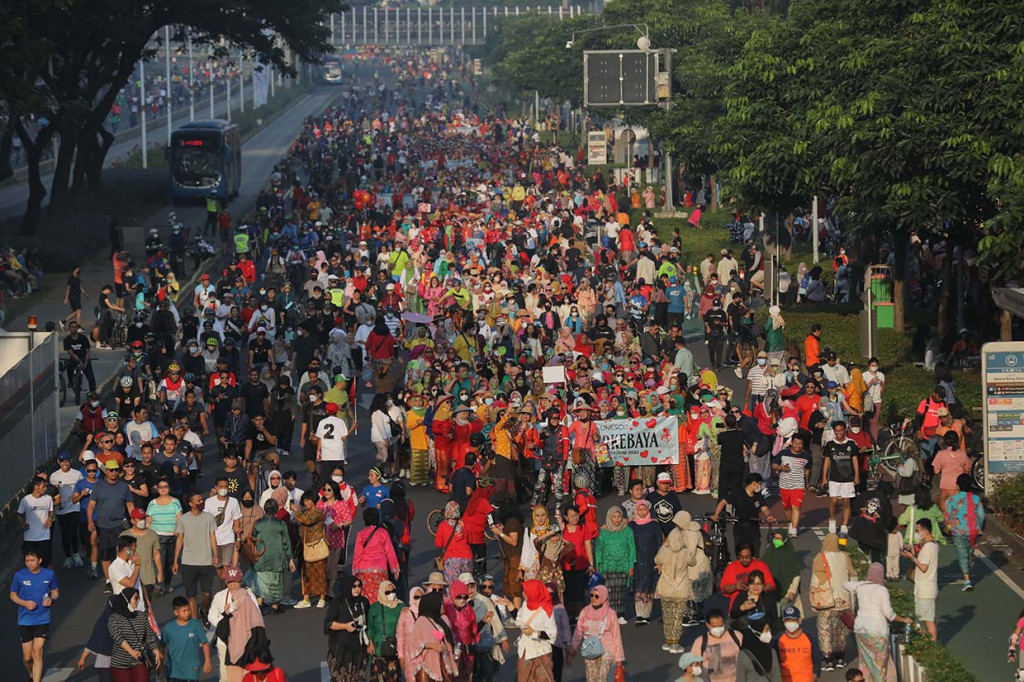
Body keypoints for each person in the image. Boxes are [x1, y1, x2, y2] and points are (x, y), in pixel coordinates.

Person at [843, 563, 912, 681]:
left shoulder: (861, 587)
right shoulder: (882, 590)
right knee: (880, 666)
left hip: (860, 630)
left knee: (866, 662)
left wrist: (863, 583)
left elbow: (844, 584)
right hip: (877, 631)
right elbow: (889, 614)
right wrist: (904, 619)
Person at [208, 565, 265, 682]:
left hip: (245, 642)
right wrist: (225, 623)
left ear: (241, 581)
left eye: (236, 581)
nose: (233, 584)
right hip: (225, 642)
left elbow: (256, 616)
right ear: (226, 582)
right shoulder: (219, 596)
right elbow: (211, 616)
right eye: (230, 581)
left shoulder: (248, 595)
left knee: (246, 674)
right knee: (225, 676)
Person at [11, 549, 59, 682]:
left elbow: (55, 592)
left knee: (37, 652)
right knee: (27, 658)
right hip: (25, 620)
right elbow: (12, 595)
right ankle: (31, 675)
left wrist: (51, 600)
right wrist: (24, 603)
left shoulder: (49, 574)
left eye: (32, 560)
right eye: (27, 561)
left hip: (42, 618)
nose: (29, 564)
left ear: (40, 560)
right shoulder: (19, 576)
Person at [810, 534, 855, 671]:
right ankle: (840, 657)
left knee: (825, 630)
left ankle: (828, 660)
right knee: (839, 631)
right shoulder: (844, 556)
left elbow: (816, 578)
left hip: (827, 601)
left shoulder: (820, 557)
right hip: (843, 601)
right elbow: (852, 574)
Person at [88, 460, 135, 590]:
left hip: (119, 524)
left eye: (116, 470)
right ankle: (109, 580)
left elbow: (129, 505)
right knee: (105, 553)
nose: (114, 473)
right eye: (111, 470)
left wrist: (134, 520)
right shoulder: (98, 487)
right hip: (103, 525)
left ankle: (123, 577)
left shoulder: (124, 487)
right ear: (106, 471)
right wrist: (90, 520)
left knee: (121, 552)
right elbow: (91, 505)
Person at [173, 492, 219, 626]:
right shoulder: (183, 519)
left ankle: (204, 610)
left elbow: (212, 537)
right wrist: (176, 560)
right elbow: (180, 539)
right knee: (191, 595)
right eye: (198, 501)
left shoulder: (209, 518)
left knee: (206, 593)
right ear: (191, 504)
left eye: (202, 500)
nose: (201, 502)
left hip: (206, 561)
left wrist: (215, 555)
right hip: (188, 562)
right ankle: (194, 622)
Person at [571, 584, 625, 682]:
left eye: (597, 596)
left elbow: (616, 637)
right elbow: (578, 630)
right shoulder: (585, 612)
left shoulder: (611, 614)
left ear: (604, 597)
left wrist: (619, 659)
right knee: (591, 679)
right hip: (590, 650)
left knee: (602, 679)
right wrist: (574, 647)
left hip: (606, 651)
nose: (593, 598)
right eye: (591, 595)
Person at [711, 473, 775, 554]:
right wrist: (716, 514)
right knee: (741, 554)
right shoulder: (738, 493)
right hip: (740, 528)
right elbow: (723, 502)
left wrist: (769, 516)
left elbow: (765, 509)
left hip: (754, 529)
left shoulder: (758, 496)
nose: (760, 487)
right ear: (754, 483)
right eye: (759, 484)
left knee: (754, 554)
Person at [107, 587, 161, 682]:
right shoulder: (114, 619)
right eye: (135, 598)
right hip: (120, 664)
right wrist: (131, 651)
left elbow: (149, 635)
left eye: (138, 598)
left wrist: (155, 650)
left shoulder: (141, 615)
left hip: (139, 661)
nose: (137, 601)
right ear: (126, 600)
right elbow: (118, 637)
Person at [324, 575, 372, 682]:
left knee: (359, 678)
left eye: (359, 586)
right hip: (341, 650)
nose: (357, 589)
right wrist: (345, 626)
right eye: (354, 586)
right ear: (347, 587)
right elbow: (329, 623)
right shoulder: (338, 603)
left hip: (359, 649)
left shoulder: (364, 601)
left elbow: (369, 621)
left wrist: (369, 642)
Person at [251, 499, 294, 612]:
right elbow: (286, 542)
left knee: (261, 580)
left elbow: (253, 537)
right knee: (276, 581)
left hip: (262, 557)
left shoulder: (258, 524)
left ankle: (260, 602)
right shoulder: (281, 524)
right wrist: (291, 558)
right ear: (276, 510)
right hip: (277, 558)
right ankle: (275, 605)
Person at [595, 506, 635, 625]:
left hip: (623, 565)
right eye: (614, 516)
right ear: (609, 517)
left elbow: (632, 548)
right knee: (609, 591)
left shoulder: (627, 530)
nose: (617, 519)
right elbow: (599, 549)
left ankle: (620, 615)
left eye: (619, 516)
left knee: (621, 591)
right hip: (607, 566)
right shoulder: (604, 531)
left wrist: (631, 565)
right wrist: (598, 564)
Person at [352, 507, 401, 606]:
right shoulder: (383, 533)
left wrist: (354, 569)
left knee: (366, 597)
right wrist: (395, 568)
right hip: (380, 570)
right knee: (381, 596)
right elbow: (390, 552)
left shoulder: (361, 534)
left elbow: (358, 554)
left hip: (364, 570)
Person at [945, 473, 985, 591]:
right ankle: (969, 571)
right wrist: (978, 527)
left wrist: (950, 526)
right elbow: (982, 515)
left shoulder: (952, 499)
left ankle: (967, 580)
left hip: (958, 532)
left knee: (962, 555)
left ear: (957, 486)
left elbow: (947, 515)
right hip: (973, 530)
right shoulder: (976, 499)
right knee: (970, 553)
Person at [903, 517, 939, 641]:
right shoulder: (932, 545)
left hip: (925, 589)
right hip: (926, 587)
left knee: (929, 621)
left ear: (926, 531)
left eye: (918, 530)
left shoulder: (929, 547)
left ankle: (932, 647)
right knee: (928, 619)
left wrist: (913, 558)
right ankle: (929, 642)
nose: (917, 533)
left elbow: (923, 567)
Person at [821, 421, 859, 536]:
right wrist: (824, 477)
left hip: (848, 478)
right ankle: (832, 520)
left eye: (840, 430)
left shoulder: (852, 444)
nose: (838, 433)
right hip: (834, 477)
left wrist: (857, 475)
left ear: (845, 430)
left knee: (846, 502)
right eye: (836, 431)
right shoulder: (830, 444)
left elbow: (855, 460)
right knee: (833, 501)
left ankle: (844, 525)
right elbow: (827, 460)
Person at [162, 596, 212, 682]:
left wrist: (207, 661)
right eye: (184, 611)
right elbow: (162, 646)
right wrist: (161, 667)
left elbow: (204, 643)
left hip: (191, 671)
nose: (187, 613)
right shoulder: (168, 628)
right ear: (176, 612)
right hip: (173, 671)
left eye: (188, 610)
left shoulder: (195, 625)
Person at [516, 580, 558, 682]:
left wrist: (534, 633)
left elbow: (552, 634)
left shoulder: (546, 610)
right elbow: (519, 621)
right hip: (525, 651)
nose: (522, 594)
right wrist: (510, 607)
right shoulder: (525, 605)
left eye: (525, 592)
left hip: (541, 652)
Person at [146, 477, 182, 595]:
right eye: (160, 487)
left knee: (170, 561)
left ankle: (168, 583)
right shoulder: (152, 503)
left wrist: (177, 529)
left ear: (169, 488)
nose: (163, 489)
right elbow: (148, 521)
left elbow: (179, 518)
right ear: (157, 489)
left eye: (165, 487)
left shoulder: (175, 502)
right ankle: (159, 584)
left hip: (172, 536)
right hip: (157, 537)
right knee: (160, 561)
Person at [629, 499, 662, 626]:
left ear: (648, 510)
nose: (642, 512)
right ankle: (639, 614)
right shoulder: (632, 525)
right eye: (640, 510)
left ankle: (646, 615)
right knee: (638, 585)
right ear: (636, 511)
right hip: (637, 559)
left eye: (644, 510)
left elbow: (659, 543)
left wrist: (659, 561)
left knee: (648, 585)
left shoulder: (654, 525)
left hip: (650, 559)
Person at [294, 491, 329, 608]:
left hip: (317, 544)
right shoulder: (304, 512)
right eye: (305, 500)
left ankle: (322, 597)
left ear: (314, 500)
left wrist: (296, 510)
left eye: (309, 500)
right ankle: (306, 598)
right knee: (306, 573)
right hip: (306, 545)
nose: (306, 502)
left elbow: (308, 520)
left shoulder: (318, 512)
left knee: (320, 571)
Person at [205, 477, 243, 584]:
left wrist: (238, 539)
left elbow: (236, 521)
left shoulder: (233, 502)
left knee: (227, 566)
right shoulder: (209, 502)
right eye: (221, 487)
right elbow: (206, 520)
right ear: (216, 488)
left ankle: (228, 589)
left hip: (228, 539)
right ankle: (224, 585)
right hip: (214, 540)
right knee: (219, 568)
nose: (223, 489)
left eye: (225, 487)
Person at [772, 433, 811, 536]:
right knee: (786, 508)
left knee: (796, 507)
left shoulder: (806, 456)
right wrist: (781, 468)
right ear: (791, 443)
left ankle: (794, 529)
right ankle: (790, 522)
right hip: (784, 485)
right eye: (796, 443)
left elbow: (807, 470)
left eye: (800, 444)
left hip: (798, 485)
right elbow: (774, 465)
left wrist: (806, 483)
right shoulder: (783, 453)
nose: (798, 446)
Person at [51, 451, 84, 568]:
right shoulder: (54, 476)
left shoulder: (77, 474)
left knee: (73, 531)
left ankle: (76, 554)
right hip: (60, 509)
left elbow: (81, 488)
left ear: (70, 461)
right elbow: (52, 494)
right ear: (58, 462)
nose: (64, 463)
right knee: (64, 534)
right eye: (62, 461)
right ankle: (68, 557)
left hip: (74, 507)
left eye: (67, 460)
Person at [689, 609, 743, 680]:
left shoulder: (737, 636)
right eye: (714, 626)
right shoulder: (700, 642)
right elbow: (693, 662)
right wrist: (694, 667)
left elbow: (745, 659)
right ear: (708, 625)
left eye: (721, 625)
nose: (718, 629)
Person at [367, 579, 404, 682]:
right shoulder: (375, 608)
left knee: (394, 678)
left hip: (394, 649)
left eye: (393, 591)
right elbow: (369, 626)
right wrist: (370, 643)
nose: (391, 594)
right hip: (378, 649)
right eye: (387, 592)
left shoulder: (402, 607)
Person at [120, 509, 160, 601]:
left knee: (147, 606)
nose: (143, 521)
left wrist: (160, 573)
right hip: (130, 579)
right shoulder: (124, 536)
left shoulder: (152, 534)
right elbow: (120, 557)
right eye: (140, 519)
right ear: (132, 520)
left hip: (148, 578)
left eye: (144, 518)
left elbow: (157, 554)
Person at [720, 543, 776, 609]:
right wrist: (735, 587)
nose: (745, 559)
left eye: (748, 557)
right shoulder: (731, 567)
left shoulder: (761, 565)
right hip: (738, 608)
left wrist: (756, 589)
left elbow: (771, 586)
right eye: (742, 557)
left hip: (759, 606)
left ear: (752, 556)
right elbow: (724, 589)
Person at [762, 529, 802, 618]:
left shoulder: (790, 555)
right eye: (775, 538)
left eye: (779, 538)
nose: (776, 540)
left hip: (787, 593)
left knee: (788, 617)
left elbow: (795, 574)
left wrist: (792, 591)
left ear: (785, 540)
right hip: (771, 592)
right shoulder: (769, 552)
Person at [775, 607, 822, 682]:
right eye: (787, 620)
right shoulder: (777, 639)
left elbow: (817, 660)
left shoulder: (810, 637)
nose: (790, 622)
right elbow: (775, 662)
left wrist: (814, 677)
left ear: (799, 620)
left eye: (793, 620)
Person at [729, 569, 780, 635]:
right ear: (748, 585)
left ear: (763, 585)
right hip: (745, 634)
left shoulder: (769, 598)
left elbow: (774, 620)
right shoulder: (742, 596)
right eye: (753, 584)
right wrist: (741, 608)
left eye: (759, 584)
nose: (756, 587)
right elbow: (733, 615)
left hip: (764, 635)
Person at [18, 477, 55, 568]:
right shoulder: (26, 500)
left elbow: (51, 511)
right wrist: (22, 523)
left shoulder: (48, 499)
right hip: (30, 538)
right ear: (36, 487)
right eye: (43, 487)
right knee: (31, 565)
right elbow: (18, 514)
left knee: (45, 563)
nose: (46, 489)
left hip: (44, 537)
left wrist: (49, 518)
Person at [435, 500, 473, 587]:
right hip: (467, 558)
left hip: (451, 559)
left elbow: (438, 544)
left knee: (452, 587)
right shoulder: (465, 524)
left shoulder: (443, 525)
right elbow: (470, 540)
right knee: (466, 586)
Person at [736, 611, 782, 682]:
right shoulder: (744, 655)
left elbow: (777, 678)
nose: (768, 633)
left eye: (769, 629)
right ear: (757, 630)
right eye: (766, 630)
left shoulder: (772, 652)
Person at [932, 431, 971, 513]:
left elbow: (936, 471)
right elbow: (968, 468)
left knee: (946, 509)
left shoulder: (941, 454)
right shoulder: (962, 453)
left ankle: (949, 524)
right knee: (959, 509)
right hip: (959, 486)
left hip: (946, 485)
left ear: (945, 441)